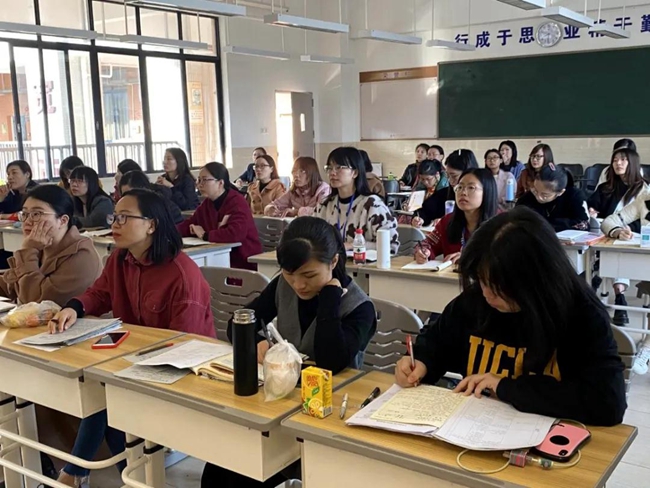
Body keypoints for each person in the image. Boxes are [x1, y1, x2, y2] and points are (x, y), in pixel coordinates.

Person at [396, 207, 627, 426]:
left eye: (498, 287)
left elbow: (607, 403)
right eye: (482, 281)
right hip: (475, 428)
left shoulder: (581, 315)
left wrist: (505, 387)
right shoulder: (476, 301)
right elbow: (437, 342)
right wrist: (421, 362)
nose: (486, 294)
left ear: (535, 280)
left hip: (548, 439)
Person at [49, 189, 214, 488]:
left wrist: (129, 364)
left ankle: (76, 475)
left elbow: (184, 345)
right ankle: (119, 476)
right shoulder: (120, 259)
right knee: (101, 392)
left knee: (106, 397)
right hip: (136, 360)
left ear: (151, 225)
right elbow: (100, 293)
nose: (115, 224)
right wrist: (74, 308)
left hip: (183, 372)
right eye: (114, 217)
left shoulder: (182, 274)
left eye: (124, 218)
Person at [201, 216, 377, 488]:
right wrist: (256, 340)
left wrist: (330, 299)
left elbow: (331, 361)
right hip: (280, 408)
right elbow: (238, 323)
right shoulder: (283, 286)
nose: (298, 285)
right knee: (222, 468)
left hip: (329, 418)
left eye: (309, 275)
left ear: (333, 261)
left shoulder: (359, 308)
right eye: (289, 274)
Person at [0, 185, 102, 305]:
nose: (27, 221)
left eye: (36, 214)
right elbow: (11, 287)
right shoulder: (41, 247)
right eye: (25, 214)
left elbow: (35, 303)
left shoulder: (81, 255)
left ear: (63, 221)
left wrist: (28, 251)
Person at [588, 148, 648, 326]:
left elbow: (641, 224)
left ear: (633, 164)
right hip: (610, 236)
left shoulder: (642, 190)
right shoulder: (608, 188)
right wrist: (616, 230)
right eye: (615, 160)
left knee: (618, 254)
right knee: (614, 252)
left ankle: (614, 293)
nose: (618, 163)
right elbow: (605, 217)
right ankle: (617, 296)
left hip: (634, 241)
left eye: (623, 160)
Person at [178, 162, 262, 270]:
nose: (200, 185)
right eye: (199, 180)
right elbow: (190, 224)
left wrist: (205, 235)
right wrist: (169, 233)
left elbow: (235, 234)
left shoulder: (237, 202)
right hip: (219, 257)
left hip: (242, 262)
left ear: (220, 183)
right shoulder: (207, 204)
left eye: (205, 180)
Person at [317, 147, 399, 254]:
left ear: (355, 173)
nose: (332, 172)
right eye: (329, 168)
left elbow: (390, 245)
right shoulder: (325, 205)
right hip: (332, 263)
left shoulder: (372, 204)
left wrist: (352, 245)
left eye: (339, 167)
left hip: (366, 264)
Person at [415, 168, 498, 265]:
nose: (463, 192)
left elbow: (505, 260)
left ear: (487, 191)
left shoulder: (502, 224)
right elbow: (427, 244)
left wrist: (468, 258)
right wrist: (423, 252)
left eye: (471, 188)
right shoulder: (448, 221)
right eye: (460, 187)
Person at [412, 149, 479, 228]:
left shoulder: (480, 197)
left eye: (454, 176)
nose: (450, 181)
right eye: (448, 176)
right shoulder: (444, 194)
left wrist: (445, 221)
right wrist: (419, 219)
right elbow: (425, 211)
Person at [516, 164, 589, 232]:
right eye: (535, 190)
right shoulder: (527, 198)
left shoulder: (574, 196)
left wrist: (549, 224)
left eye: (544, 195)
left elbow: (583, 224)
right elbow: (515, 221)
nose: (538, 197)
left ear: (560, 192)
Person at [264, 157, 330, 217]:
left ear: (312, 173)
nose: (296, 175)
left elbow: (321, 211)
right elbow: (272, 205)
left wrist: (296, 212)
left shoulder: (323, 189)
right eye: (294, 171)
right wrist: (270, 209)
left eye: (302, 171)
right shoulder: (293, 192)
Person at [398, 160, 442, 226]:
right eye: (422, 179)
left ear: (437, 175)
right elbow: (417, 209)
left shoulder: (444, 190)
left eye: (428, 179)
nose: (425, 182)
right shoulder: (420, 188)